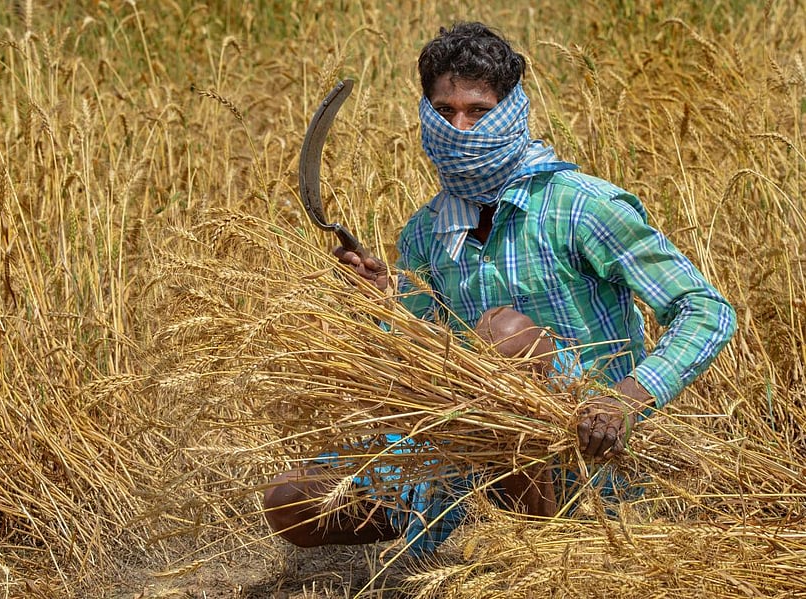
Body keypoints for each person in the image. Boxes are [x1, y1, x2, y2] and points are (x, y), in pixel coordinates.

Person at [263, 21, 736, 556]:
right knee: (291, 499)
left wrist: (623, 402)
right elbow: (431, 361)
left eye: (477, 111)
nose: (459, 129)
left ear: (510, 113)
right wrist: (383, 304)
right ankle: (475, 521)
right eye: (444, 113)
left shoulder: (581, 206)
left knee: (503, 334)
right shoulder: (424, 233)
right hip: (476, 455)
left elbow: (706, 310)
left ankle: (547, 546)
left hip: (588, 447)